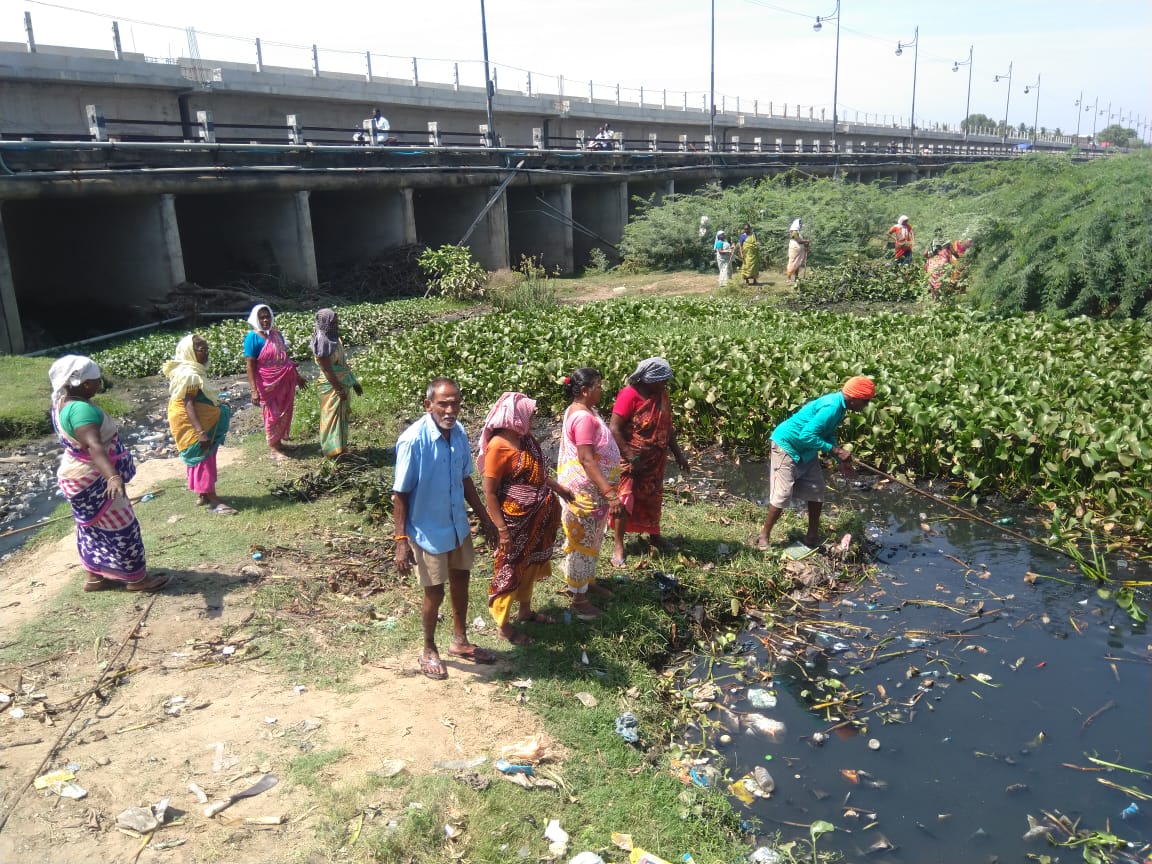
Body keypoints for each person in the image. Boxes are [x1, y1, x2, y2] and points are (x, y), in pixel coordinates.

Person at [393, 378, 499, 680]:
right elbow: (399, 494)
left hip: (456, 525)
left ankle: (460, 640)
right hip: (427, 529)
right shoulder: (413, 441)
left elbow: (465, 479)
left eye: (454, 403)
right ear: (429, 406)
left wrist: (483, 518)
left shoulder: (460, 433)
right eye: (443, 404)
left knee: (461, 580)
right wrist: (401, 540)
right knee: (435, 591)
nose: (450, 409)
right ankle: (428, 648)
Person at [49, 356, 169, 593]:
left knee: (91, 528)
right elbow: (94, 447)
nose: (99, 383)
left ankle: (95, 577)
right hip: (96, 479)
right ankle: (137, 579)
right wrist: (112, 477)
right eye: (96, 380)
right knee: (123, 528)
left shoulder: (63, 401)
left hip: (76, 476)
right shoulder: (81, 410)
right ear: (84, 384)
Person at [478, 392, 573, 644]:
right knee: (510, 567)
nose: (532, 416)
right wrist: (502, 530)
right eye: (529, 413)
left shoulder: (525, 439)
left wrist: (559, 488)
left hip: (537, 518)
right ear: (514, 416)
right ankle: (503, 625)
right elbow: (489, 491)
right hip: (514, 520)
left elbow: (537, 475)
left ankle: (525, 612)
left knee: (529, 563)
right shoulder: (499, 446)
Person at [755, 376, 876, 550]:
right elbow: (806, 435)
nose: (865, 406)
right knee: (782, 494)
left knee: (816, 489)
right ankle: (764, 536)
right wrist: (836, 451)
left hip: (807, 449)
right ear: (854, 397)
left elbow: (827, 433)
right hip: (787, 446)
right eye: (864, 402)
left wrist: (839, 458)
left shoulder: (840, 408)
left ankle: (812, 536)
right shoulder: (832, 406)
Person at [609, 357, 690, 567]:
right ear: (648, 379)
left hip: (655, 459)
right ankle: (619, 545)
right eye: (661, 380)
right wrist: (630, 455)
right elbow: (615, 428)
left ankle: (655, 536)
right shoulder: (629, 395)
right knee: (625, 500)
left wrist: (679, 454)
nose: (664, 385)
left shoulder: (661, 394)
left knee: (652, 497)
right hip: (631, 459)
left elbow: (667, 427)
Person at [557, 367, 623, 620]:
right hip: (586, 491)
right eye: (598, 386)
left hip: (590, 489)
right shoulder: (583, 418)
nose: (601, 390)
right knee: (582, 541)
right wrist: (609, 492)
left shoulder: (582, 410)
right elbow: (586, 458)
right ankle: (579, 599)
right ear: (585, 391)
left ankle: (588, 581)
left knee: (592, 536)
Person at [163, 334, 236, 514]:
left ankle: (202, 494)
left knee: (200, 459)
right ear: (190, 352)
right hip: (194, 425)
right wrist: (200, 431)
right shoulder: (190, 375)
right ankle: (213, 499)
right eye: (202, 350)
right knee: (204, 459)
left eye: (206, 349)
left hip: (194, 422)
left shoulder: (189, 370)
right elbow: (188, 404)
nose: (206, 354)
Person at [244, 303, 303, 461]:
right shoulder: (252, 338)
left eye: (267, 316)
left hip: (284, 381)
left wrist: (297, 376)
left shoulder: (277, 335)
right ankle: (273, 447)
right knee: (272, 414)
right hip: (267, 383)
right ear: (256, 319)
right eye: (261, 317)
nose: (265, 320)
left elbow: (285, 359)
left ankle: (280, 443)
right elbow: (250, 365)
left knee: (285, 410)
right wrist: (253, 390)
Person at [310, 308, 362, 459]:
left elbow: (343, 365)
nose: (335, 325)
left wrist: (354, 383)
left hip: (342, 383)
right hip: (330, 386)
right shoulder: (322, 342)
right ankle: (331, 452)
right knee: (331, 418)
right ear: (323, 323)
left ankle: (341, 449)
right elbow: (327, 370)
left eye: (336, 322)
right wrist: (339, 390)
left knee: (342, 417)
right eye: (332, 323)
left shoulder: (335, 338)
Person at [786, 218, 811, 282]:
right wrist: (806, 241)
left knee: (797, 263)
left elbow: (801, 242)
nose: (801, 225)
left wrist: (806, 247)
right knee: (792, 263)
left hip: (798, 251)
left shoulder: (797, 232)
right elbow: (799, 241)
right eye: (800, 224)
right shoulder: (794, 232)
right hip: (794, 250)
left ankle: (796, 278)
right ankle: (788, 278)